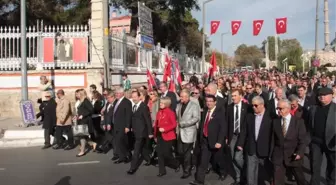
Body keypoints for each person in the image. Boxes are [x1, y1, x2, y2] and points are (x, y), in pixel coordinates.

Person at [190, 95, 227, 185]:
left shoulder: (220, 113)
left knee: (218, 159)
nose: (209, 103)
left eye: (211, 101)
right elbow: (203, 124)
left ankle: (223, 172)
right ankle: (199, 180)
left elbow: (223, 129)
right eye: (207, 101)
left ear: (215, 102)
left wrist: (219, 141)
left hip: (215, 141)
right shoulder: (205, 111)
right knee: (203, 161)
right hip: (205, 140)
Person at [237, 96, 273, 185]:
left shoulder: (271, 117)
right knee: (251, 173)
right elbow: (244, 130)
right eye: (252, 105)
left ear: (262, 105)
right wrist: (240, 143)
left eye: (255, 105)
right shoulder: (249, 116)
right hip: (251, 148)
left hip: (265, 150)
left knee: (268, 173)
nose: (253, 107)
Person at [272, 99, 308, 185]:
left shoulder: (298, 122)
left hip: (293, 155)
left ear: (288, 109)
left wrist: (299, 153)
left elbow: (302, 140)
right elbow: (272, 139)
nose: (278, 111)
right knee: (278, 180)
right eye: (277, 108)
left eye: (281, 108)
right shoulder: (275, 122)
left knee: (300, 179)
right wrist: (271, 154)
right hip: (279, 156)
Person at [308, 87, 336, 185]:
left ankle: (331, 182)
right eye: (320, 96)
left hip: (332, 143)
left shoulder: (335, 108)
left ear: (331, 96)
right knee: (315, 165)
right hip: (316, 142)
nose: (322, 97)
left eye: (324, 95)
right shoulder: (313, 108)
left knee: (332, 166)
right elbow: (308, 124)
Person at [176, 89, 200, 179]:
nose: (180, 98)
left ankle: (187, 171)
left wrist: (184, 123)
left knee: (186, 153)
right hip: (180, 133)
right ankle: (193, 163)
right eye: (180, 96)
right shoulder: (179, 105)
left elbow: (196, 118)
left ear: (187, 97)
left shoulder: (193, 105)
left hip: (189, 132)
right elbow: (177, 118)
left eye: (182, 96)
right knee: (180, 151)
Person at [127, 91, 153, 175]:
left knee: (136, 150)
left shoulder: (143, 107)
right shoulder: (133, 106)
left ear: (139, 97)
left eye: (135, 97)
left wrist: (150, 132)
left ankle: (132, 167)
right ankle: (149, 159)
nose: (133, 98)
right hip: (135, 131)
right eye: (132, 97)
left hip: (142, 132)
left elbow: (148, 120)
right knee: (143, 149)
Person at [226, 89, 248, 185]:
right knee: (233, 158)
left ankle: (247, 173)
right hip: (233, 136)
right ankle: (239, 179)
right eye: (232, 96)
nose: (233, 98)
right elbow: (226, 123)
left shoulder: (247, 108)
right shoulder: (229, 108)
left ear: (241, 96)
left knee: (238, 157)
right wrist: (226, 137)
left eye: (235, 95)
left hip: (243, 136)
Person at [154, 97, 180, 177]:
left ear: (166, 104)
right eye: (160, 103)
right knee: (159, 153)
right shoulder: (159, 112)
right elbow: (156, 124)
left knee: (167, 153)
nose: (160, 104)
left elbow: (174, 124)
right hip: (159, 135)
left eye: (162, 103)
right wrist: (155, 135)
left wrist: (165, 129)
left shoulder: (170, 112)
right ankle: (162, 171)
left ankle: (176, 164)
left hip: (168, 136)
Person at [112, 87, 133, 164]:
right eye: (116, 93)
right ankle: (121, 157)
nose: (116, 95)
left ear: (122, 93)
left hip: (123, 125)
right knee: (118, 142)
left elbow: (128, 115)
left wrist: (127, 126)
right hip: (116, 125)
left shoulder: (126, 102)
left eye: (118, 93)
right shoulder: (116, 101)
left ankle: (127, 155)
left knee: (122, 141)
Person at [75, 89, 94, 157]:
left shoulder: (86, 100)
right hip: (81, 120)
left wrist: (83, 115)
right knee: (83, 135)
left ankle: (82, 151)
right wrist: (77, 115)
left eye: (78, 94)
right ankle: (93, 144)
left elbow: (91, 109)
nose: (77, 95)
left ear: (82, 94)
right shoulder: (81, 101)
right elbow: (82, 110)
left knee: (82, 136)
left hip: (85, 120)